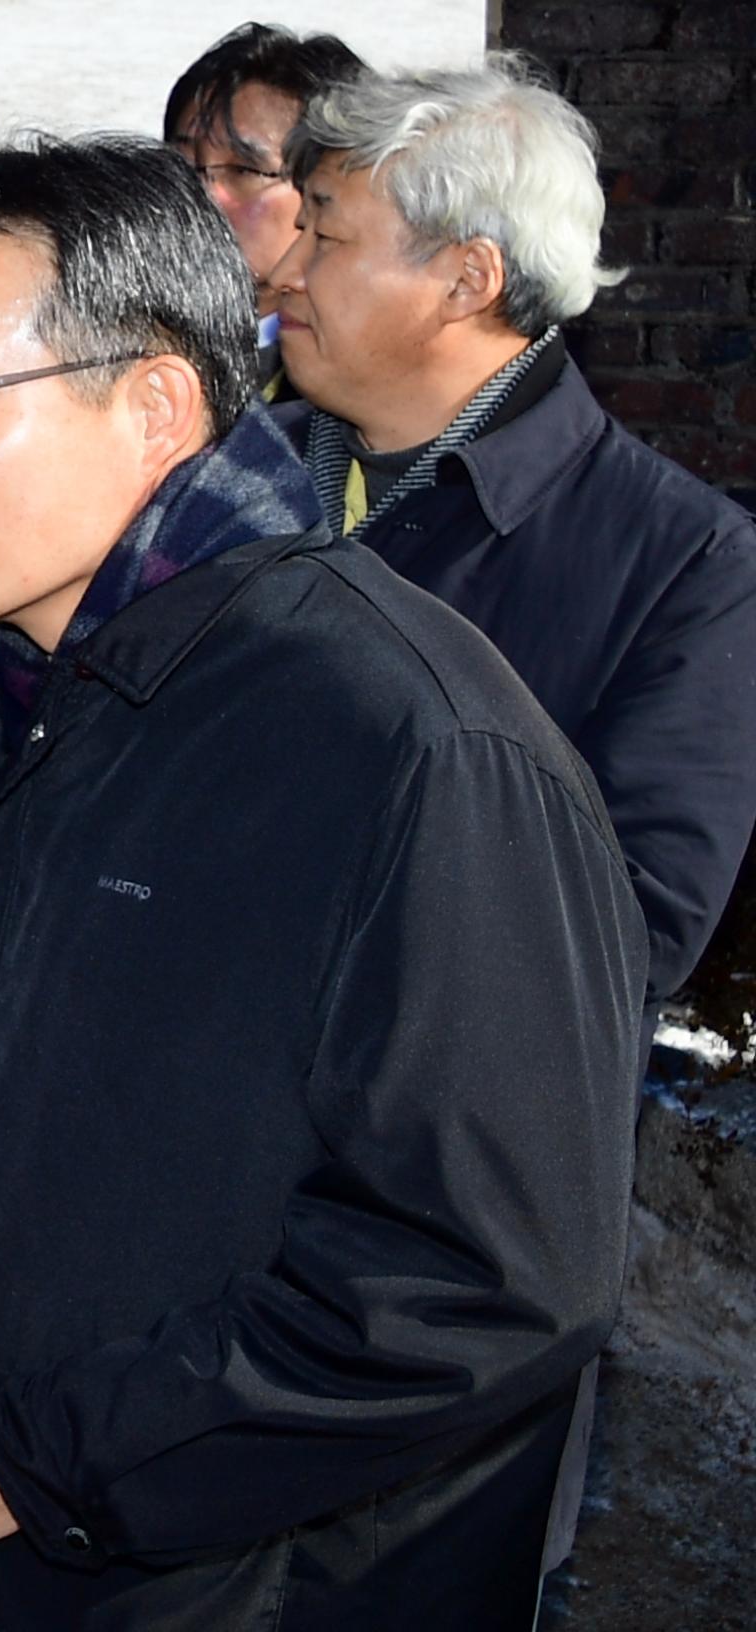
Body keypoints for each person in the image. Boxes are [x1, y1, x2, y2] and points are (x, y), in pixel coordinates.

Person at [0, 137, 644, 1625]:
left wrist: (41, 1461)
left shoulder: (409, 743)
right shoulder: (15, 686)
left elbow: (484, 1283)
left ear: (158, 402)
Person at [272, 61, 756, 1001]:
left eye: (324, 234)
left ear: (466, 279)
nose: (285, 271)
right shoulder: (228, 483)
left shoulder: (689, 571)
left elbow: (624, 941)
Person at [158, 21, 369, 397]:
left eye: (243, 170)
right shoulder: (116, 339)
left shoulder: (354, 383)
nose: (204, 195)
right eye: (183, 165)